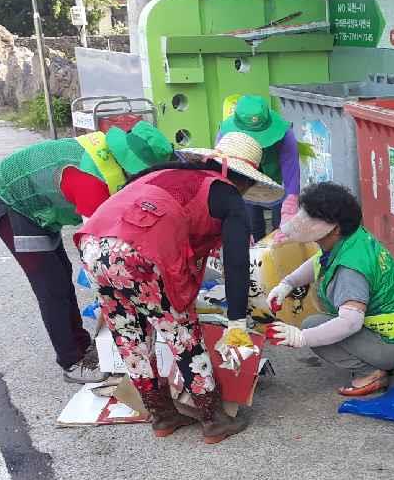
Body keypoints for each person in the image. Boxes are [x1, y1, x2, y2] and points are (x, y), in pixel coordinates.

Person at [74, 132, 284, 443]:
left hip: (93, 246)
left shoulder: (163, 172)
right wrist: (237, 320)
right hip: (141, 254)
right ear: (245, 180)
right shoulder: (226, 194)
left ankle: (162, 415)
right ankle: (213, 420)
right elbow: (236, 263)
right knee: (180, 331)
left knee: (130, 335)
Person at [0, 121, 175, 383]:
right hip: (10, 199)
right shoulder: (92, 182)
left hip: (38, 197)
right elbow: (97, 255)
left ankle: (80, 343)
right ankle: (71, 360)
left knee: (61, 272)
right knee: (51, 283)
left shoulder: (109, 154)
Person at [263, 183, 394, 397]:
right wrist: (288, 283)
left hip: (393, 345)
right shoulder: (354, 238)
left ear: (335, 228)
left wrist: (302, 338)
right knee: (320, 325)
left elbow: (350, 323)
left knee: (313, 326)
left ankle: (371, 373)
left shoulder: (350, 271)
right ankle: (379, 360)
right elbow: (320, 262)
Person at [219, 95, 300, 241]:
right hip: (243, 181)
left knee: (280, 225)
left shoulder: (286, 134)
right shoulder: (225, 136)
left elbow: (291, 171)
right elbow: (223, 175)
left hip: (275, 180)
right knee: (250, 222)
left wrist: (290, 206)